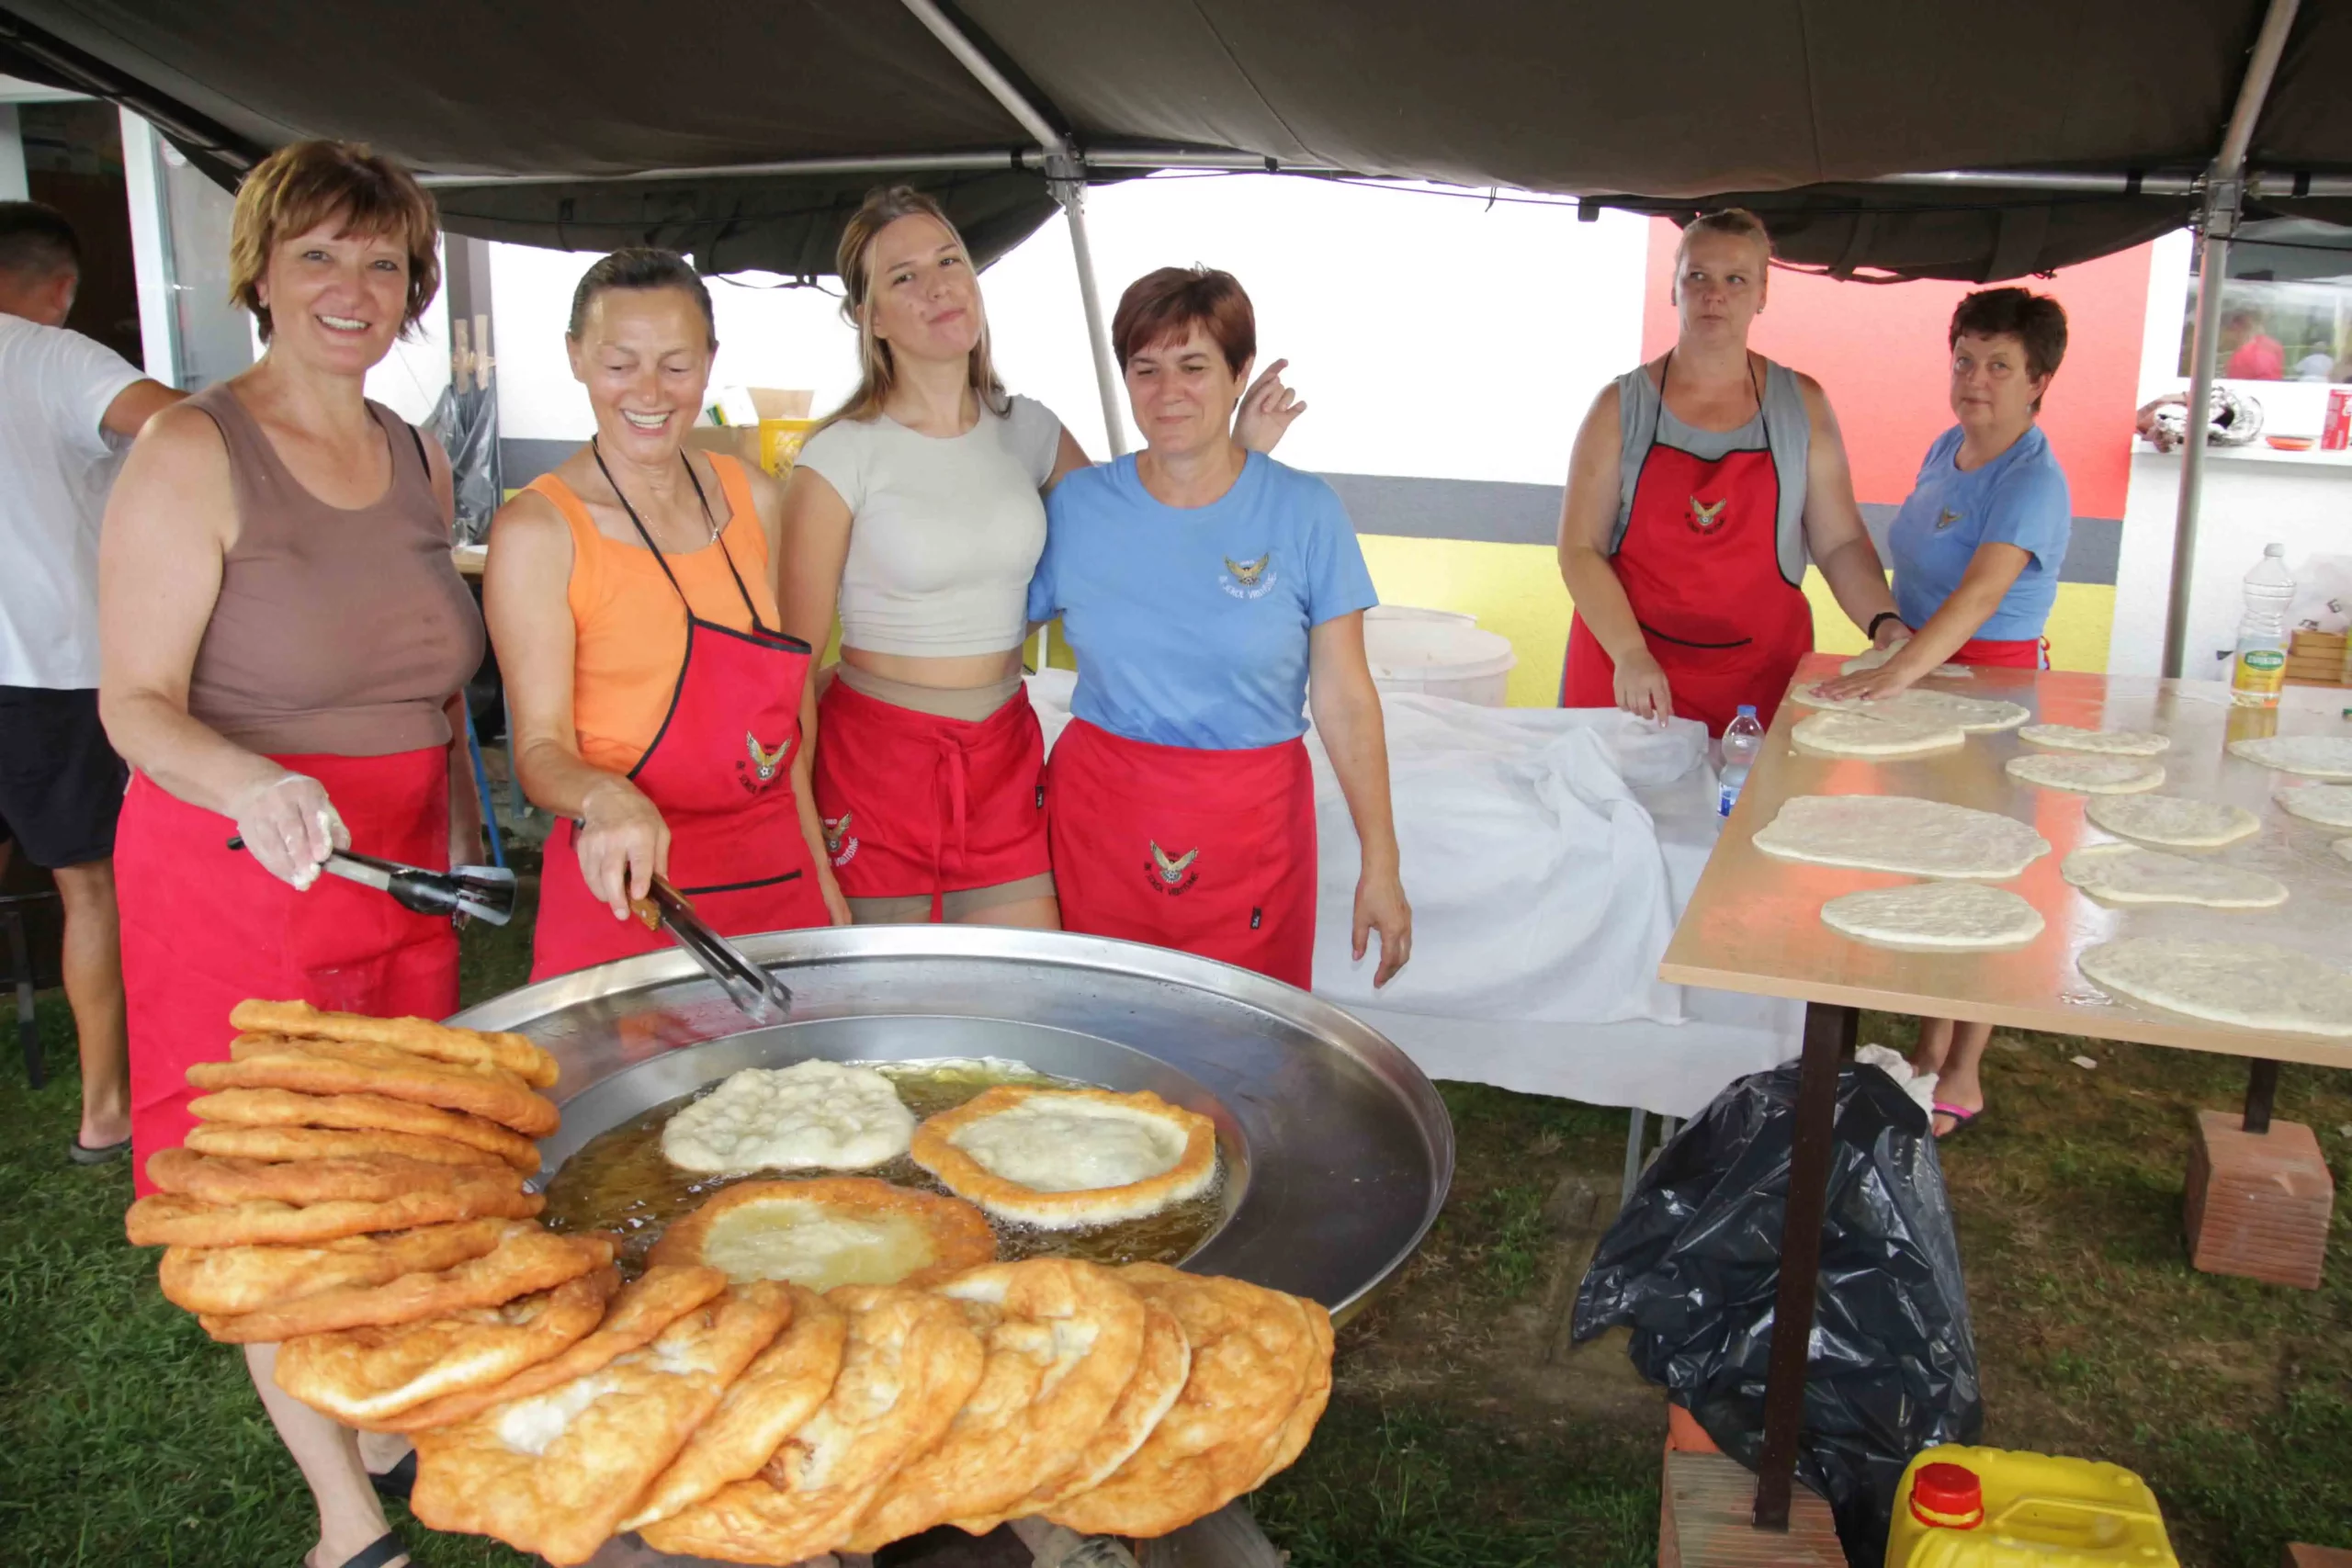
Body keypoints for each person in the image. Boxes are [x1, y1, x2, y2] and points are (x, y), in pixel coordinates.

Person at [99, 139, 481, 1568]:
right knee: (273, 1189)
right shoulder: (192, 446)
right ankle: (347, 1516)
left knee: (392, 1162)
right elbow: (132, 700)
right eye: (320, 253)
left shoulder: (416, 450)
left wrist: (444, 808)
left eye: (383, 262)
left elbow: (429, 675)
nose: (353, 285)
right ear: (262, 269)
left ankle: (379, 1408)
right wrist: (254, 775)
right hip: (237, 861)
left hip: (395, 870)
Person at [779, 186, 1300, 928]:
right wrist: (799, 847)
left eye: (950, 260)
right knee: (889, 1031)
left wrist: (1235, 449)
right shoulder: (838, 458)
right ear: (869, 316)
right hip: (875, 768)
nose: (937, 287)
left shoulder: (1027, 429)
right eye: (903, 277)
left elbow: (1140, 540)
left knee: (1025, 1018)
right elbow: (788, 677)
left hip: (1002, 759)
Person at [1029, 266, 1410, 989]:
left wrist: (1381, 861)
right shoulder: (1079, 508)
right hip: (1101, 820)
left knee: (1245, 1062)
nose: (1168, 390)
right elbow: (981, 627)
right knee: (1099, 1049)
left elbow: (1345, 697)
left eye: (1194, 366)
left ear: (1240, 374)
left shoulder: (1305, 512)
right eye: (1146, 368)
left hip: (1253, 827)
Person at [485, 249, 845, 979]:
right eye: (620, 364)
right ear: (576, 358)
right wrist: (603, 793)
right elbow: (539, 749)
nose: (649, 392)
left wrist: (822, 876)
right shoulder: (539, 532)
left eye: (676, 366)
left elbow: (786, 719)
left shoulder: (753, 496)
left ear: (711, 363)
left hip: (776, 880)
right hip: (629, 891)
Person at [1814, 288, 2072, 1139]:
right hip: (1921, 677)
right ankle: (1928, 1043)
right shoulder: (1944, 447)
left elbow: (1980, 595)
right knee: (1924, 863)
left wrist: (1897, 673)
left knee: (1981, 876)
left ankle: (1965, 1066)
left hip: (1990, 694)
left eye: (2001, 366)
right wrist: (1895, 653)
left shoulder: (2032, 478)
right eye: (1965, 359)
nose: (1976, 380)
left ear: (2040, 380)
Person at [1555, 209, 1903, 735]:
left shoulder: (1800, 406)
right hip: (1628, 677)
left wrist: (1884, 623)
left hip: (1756, 683)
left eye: (1735, 279)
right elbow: (1579, 549)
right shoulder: (1619, 408)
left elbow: (1840, 543)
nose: (1713, 294)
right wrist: (1629, 652)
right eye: (1697, 276)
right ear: (1674, 287)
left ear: (1763, 293)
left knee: (1742, 817)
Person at [0, 200, 181, 1164]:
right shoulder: (50, 354)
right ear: (61, 288)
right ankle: (105, 1110)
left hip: (34, 672)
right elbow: (183, 431)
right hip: (47, 670)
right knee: (89, 891)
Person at [2221, 305, 2284, 380]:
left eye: (2225, 330)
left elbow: (2235, 389)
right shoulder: (2274, 345)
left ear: (2235, 327)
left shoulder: (2241, 358)